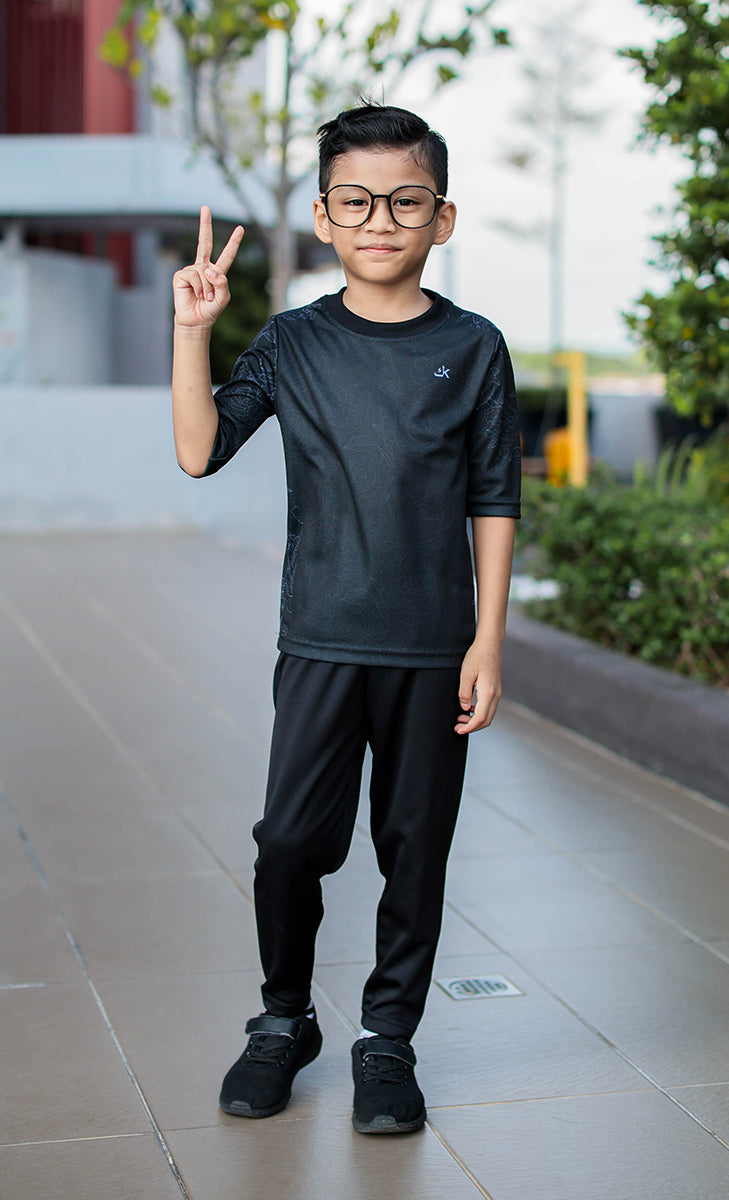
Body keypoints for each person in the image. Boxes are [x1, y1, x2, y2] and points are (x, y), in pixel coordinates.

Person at [171, 103, 521, 1134]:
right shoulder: (293, 341)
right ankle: (284, 1019)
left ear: (441, 217)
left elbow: (494, 498)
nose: (380, 221)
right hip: (320, 640)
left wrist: (487, 639)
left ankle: (387, 1039)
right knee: (289, 842)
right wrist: (193, 332)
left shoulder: (474, 347)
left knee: (415, 849)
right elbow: (199, 450)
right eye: (356, 201)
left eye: (405, 201)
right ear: (324, 216)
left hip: (431, 649)